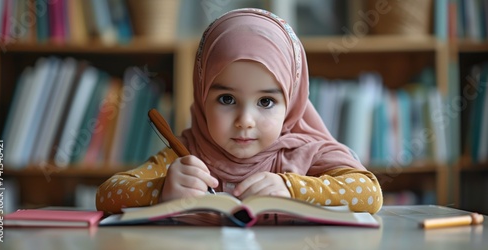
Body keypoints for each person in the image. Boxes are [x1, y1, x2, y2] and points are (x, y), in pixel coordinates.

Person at [96, 8, 383, 214]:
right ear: (201, 93)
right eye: (227, 99)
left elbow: (369, 194)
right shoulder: (186, 152)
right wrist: (161, 190)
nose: (245, 121)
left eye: (266, 102)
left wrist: (293, 189)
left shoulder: (307, 152)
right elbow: (108, 194)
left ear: (292, 103)